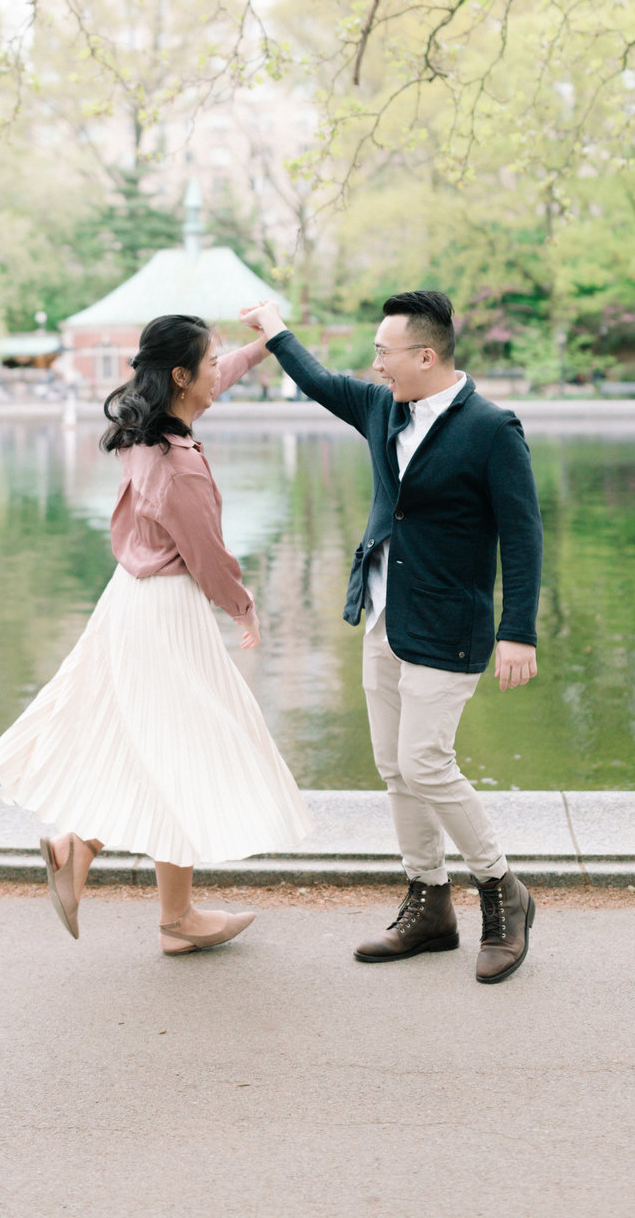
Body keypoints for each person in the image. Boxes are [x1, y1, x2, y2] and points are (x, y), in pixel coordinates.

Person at [0, 313, 311, 954]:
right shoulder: (179, 462)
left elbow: (222, 376)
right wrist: (243, 606)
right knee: (183, 747)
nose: (222, 371)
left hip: (130, 601)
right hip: (166, 610)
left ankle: (144, 894)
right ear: (182, 377)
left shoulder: (148, 431)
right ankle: (148, 897)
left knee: (162, 748)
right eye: (210, 364)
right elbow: (207, 553)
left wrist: (265, 345)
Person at [241, 291, 542, 985]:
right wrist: (275, 330)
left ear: (426, 356)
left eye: (385, 353)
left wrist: (517, 630)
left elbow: (523, 536)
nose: (376, 366)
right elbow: (319, 383)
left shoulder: (493, 429)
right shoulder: (384, 408)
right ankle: (430, 904)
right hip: (383, 612)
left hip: (450, 621)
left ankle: (504, 893)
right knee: (396, 767)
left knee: (428, 762)